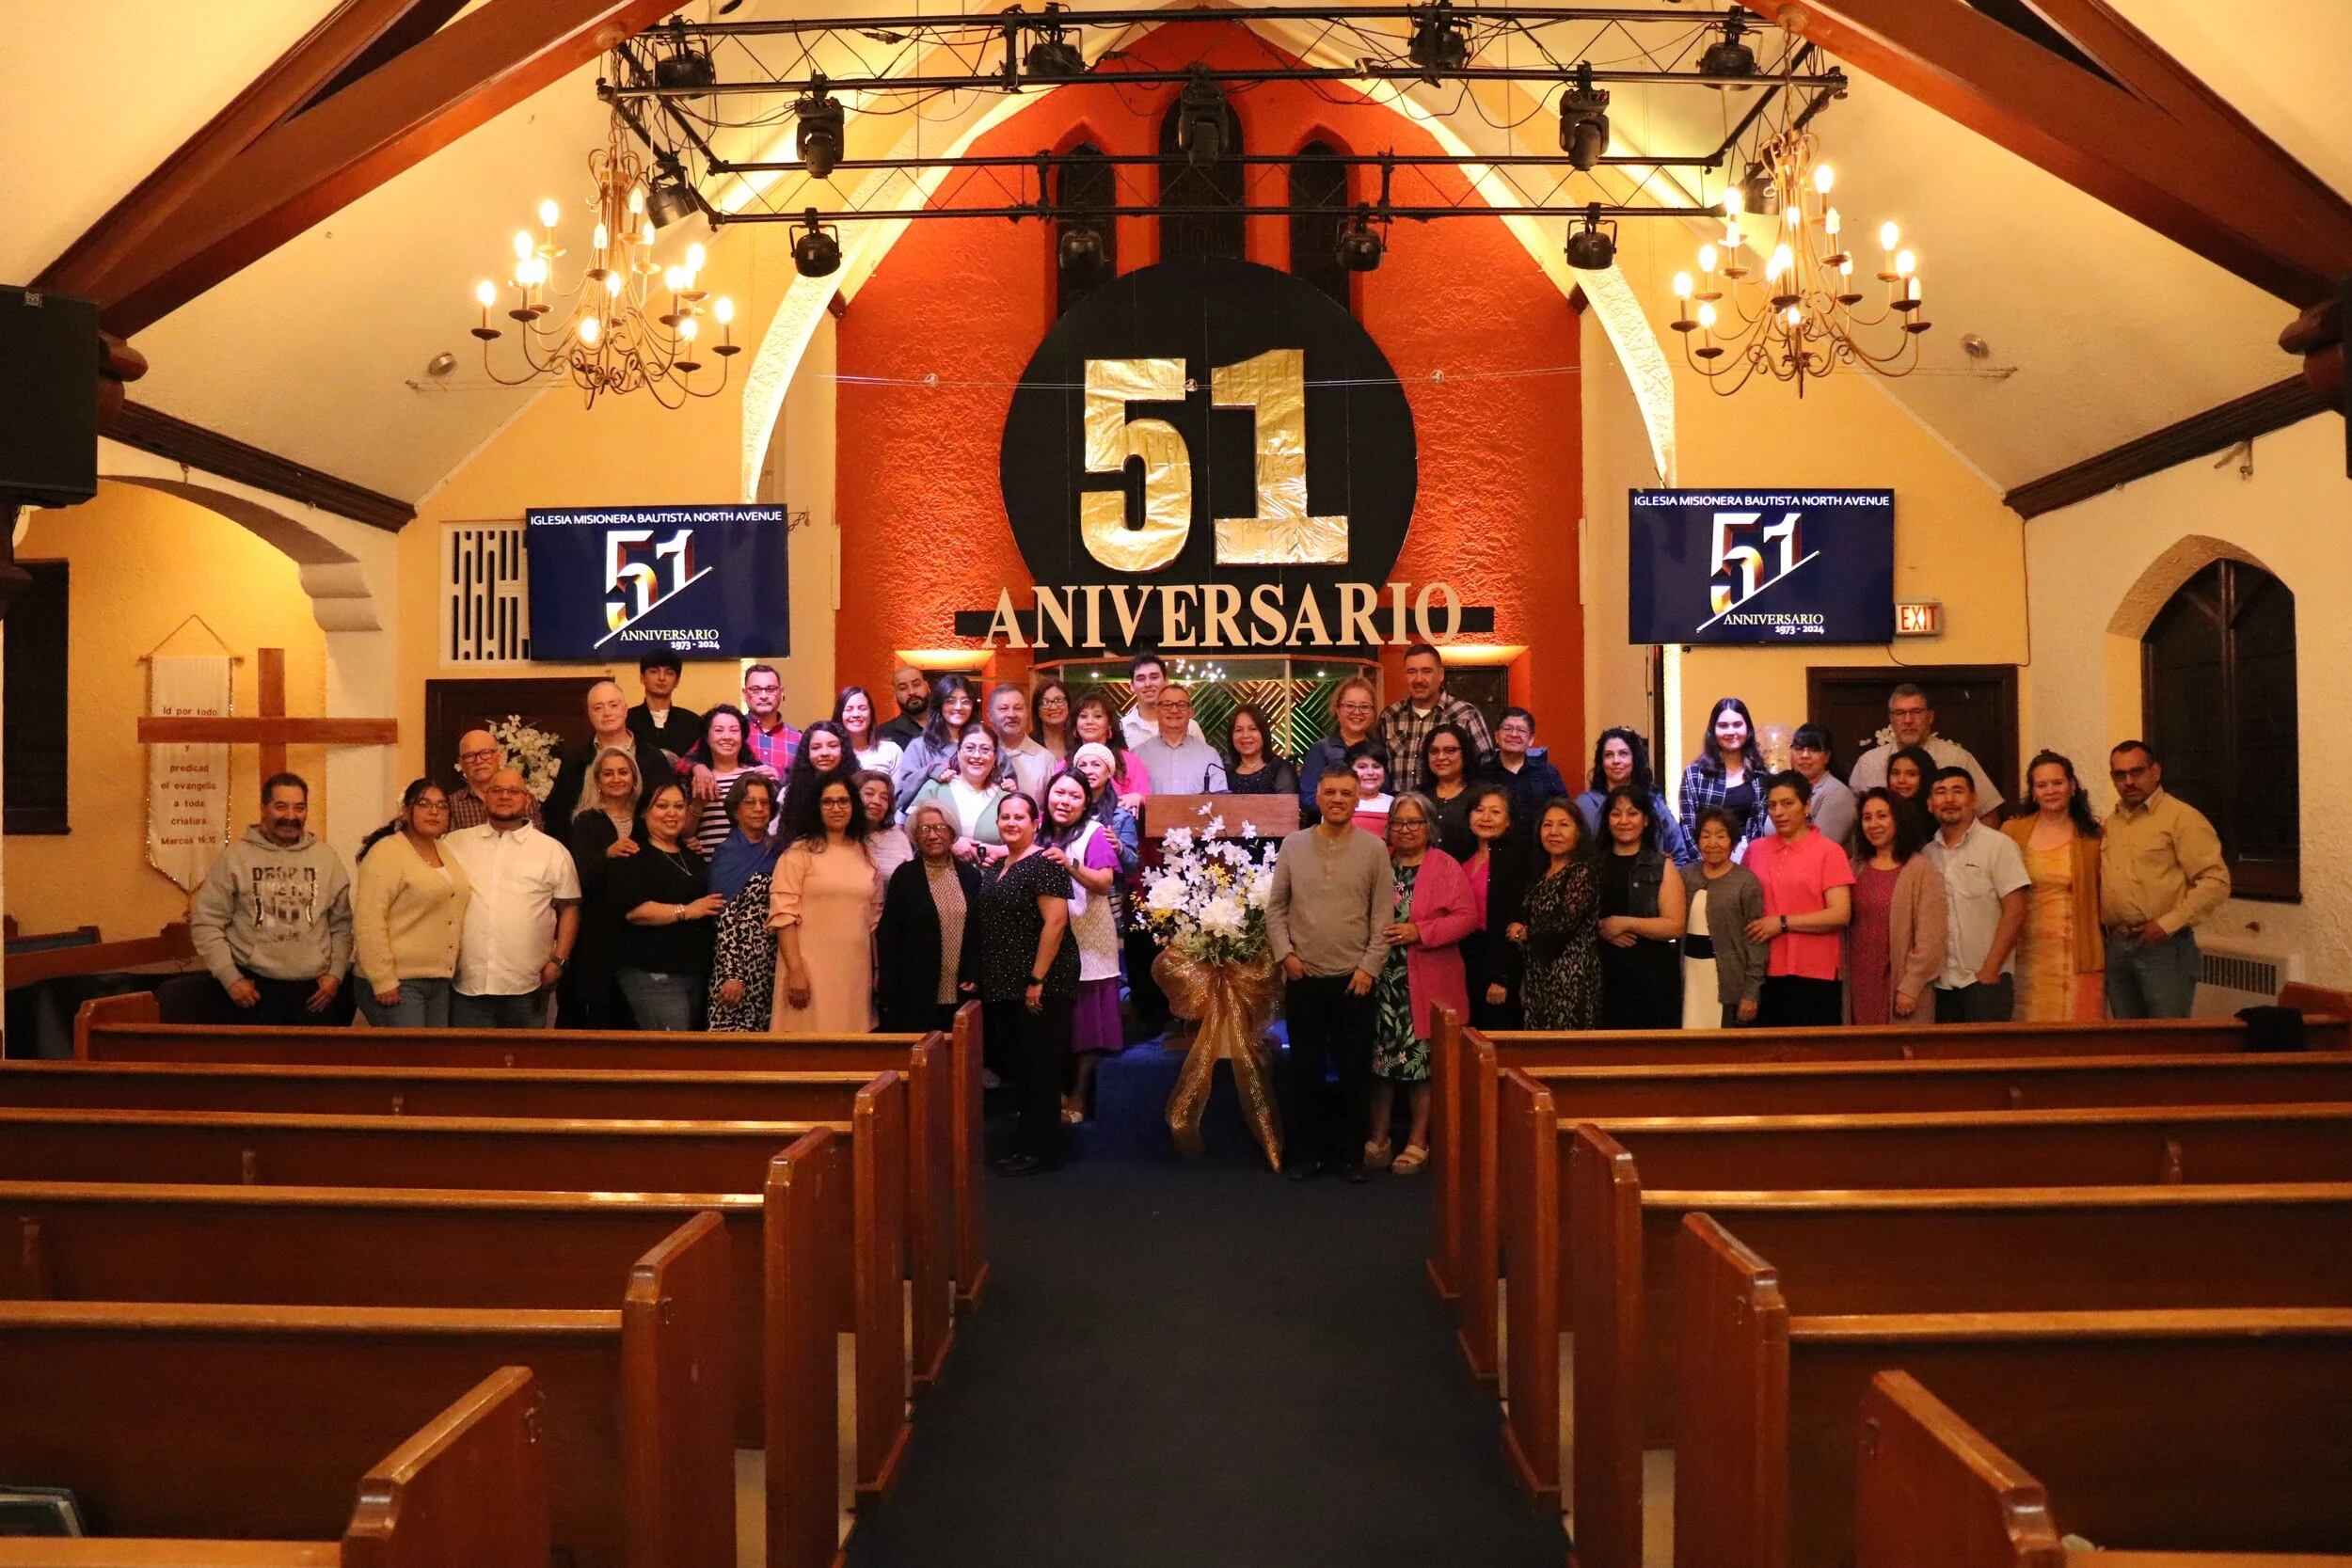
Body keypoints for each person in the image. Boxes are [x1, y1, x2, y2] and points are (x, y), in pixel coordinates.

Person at [1266, 764, 1391, 1182]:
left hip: (1355, 981)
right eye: (1330, 792)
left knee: (1355, 1073)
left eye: (1346, 793)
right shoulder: (1293, 845)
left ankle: (1351, 1156)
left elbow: (1383, 917)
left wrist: (1369, 968)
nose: (1338, 799)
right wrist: (1286, 956)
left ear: (1358, 801)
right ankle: (1305, 1153)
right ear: (1317, 797)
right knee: (1305, 1072)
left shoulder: (1375, 849)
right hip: (1304, 978)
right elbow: (1276, 909)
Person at [190, 771, 355, 1025]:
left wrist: (336, 974)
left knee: (313, 1064)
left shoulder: (327, 859)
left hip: (315, 992)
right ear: (263, 808)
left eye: (299, 808)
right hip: (253, 991)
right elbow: (207, 923)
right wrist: (230, 978)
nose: (291, 816)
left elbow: (342, 925)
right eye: (281, 807)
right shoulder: (234, 859)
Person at [1366, 793, 1475, 1176]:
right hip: (1382, 980)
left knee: (1420, 1066)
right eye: (1398, 823)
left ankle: (1418, 1140)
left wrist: (1419, 931)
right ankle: (1378, 1138)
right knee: (1380, 1063)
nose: (1406, 829)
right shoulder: (1379, 862)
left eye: (1414, 822)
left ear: (1430, 827)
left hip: (1428, 981)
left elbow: (1466, 918)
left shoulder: (1444, 865)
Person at [977, 792, 1079, 1174]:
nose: (1011, 823)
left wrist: (1037, 978)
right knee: (1023, 1067)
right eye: (1005, 817)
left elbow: (1056, 923)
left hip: (1041, 983)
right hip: (1006, 983)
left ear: (1035, 822)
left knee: (1041, 1068)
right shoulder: (998, 865)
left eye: (1020, 816)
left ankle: (1039, 1150)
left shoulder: (1046, 863)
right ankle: (1025, 1145)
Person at [2100, 739, 2232, 1019]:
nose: (2129, 781)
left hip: (2164, 947)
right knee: (2129, 1047)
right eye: (2120, 775)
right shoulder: (2111, 823)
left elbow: (2215, 880)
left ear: (2156, 771)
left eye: (2137, 772)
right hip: (2117, 947)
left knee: (2168, 1042)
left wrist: (2167, 924)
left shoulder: (2182, 818)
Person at [444, 768, 580, 1029]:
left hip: (528, 985)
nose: (505, 796)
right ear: (485, 797)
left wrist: (559, 960)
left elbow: (570, 907)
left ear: (527, 800)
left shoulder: (552, 851)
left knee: (526, 1066)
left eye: (513, 791)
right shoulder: (454, 844)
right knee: (468, 1067)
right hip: (466, 984)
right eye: (497, 790)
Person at [1040, 769, 1124, 1122]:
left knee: (1087, 1027)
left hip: (1087, 938)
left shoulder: (1094, 833)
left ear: (1086, 802)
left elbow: (1105, 881)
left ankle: (1078, 1097)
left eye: (1075, 796)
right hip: (1046, 940)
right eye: (1059, 793)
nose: (1065, 801)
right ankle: (1048, 1096)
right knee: (1049, 1025)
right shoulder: (1036, 830)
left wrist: (1071, 863)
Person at [1740, 771, 1855, 1026]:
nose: (1778, 812)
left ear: (1807, 806)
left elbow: (1840, 913)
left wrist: (1781, 923)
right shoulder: (1756, 850)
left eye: (1787, 803)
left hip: (1815, 972)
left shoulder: (1829, 852)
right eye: (1772, 805)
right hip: (1763, 970)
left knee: (1811, 1056)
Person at [352, 779, 470, 1027]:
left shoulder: (444, 851)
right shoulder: (387, 852)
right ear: (406, 811)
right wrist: (383, 979)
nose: (434, 811)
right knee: (410, 1061)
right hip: (398, 980)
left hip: (439, 980)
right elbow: (368, 920)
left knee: (433, 1063)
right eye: (424, 804)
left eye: (442, 806)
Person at [771, 772, 882, 1032]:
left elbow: (874, 919)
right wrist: (796, 971)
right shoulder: (798, 853)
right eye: (828, 802)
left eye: (843, 801)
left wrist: (877, 969)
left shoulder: (866, 854)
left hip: (855, 971)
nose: (836, 808)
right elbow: (783, 917)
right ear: (817, 807)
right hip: (808, 970)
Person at [606, 780, 722, 1029]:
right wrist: (687, 911)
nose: (672, 813)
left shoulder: (691, 854)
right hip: (653, 972)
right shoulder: (631, 855)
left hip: (694, 971)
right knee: (672, 1057)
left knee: (687, 1056)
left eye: (679, 806)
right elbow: (635, 911)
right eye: (662, 806)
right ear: (645, 812)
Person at [2001, 751, 2106, 1022]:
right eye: (2042, 785)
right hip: (2025, 954)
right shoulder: (2012, 831)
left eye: (2057, 783)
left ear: (2072, 786)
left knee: (2076, 1040)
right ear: (2033, 792)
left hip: (2077, 954)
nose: (2050, 791)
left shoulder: (2093, 838)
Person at [1920, 766, 2030, 1022]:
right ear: (1930, 804)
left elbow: (2015, 911)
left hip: (1985, 981)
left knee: (1987, 1059)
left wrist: (1991, 969)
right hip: (1940, 985)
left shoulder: (1999, 846)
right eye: (1940, 792)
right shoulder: (1926, 855)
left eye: (1957, 791)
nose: (1949, 800)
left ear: (1974, 800)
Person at [1845, 787, 1947, 1026]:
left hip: (1900, 982)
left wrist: (1911, 987)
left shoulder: (1920, 868)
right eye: (1867, 817)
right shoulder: (1855, 867)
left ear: (1898, 819)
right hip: (1859, 979)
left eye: (1882, 816)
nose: (1873, 824)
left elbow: (1931, 938)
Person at [877, 801, 983, 1032]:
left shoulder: (971, 876)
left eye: (939, 828)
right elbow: (889, 935)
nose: (933, 835)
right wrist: (888, 985)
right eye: (924, 830)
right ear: (915, 836)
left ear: (952, 833)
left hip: (962, 988)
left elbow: (979, 931)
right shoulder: (905, 877)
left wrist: (974, 971)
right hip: (915, 989)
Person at [562, 746, 646, 1030]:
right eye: (608, 773)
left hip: (641, 935)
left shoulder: (647, 819)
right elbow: (578, 877)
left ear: (634, 779)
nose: (616, 778)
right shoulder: (586, 820)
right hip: (598, 937)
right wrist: (607, 854)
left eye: (623, 772)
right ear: (597, 781)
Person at [1595, 784, 1687, 1029]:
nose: (1624, 820)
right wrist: (1601, 928)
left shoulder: (1662, 865)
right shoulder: (1592, 864)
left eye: (1633, 813)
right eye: (1616, 813)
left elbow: (1675, 926)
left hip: (1652, 976)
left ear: (1646, 820)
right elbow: (1577, 918)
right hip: (1602, 973)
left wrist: (1624, 923)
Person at [705, 774, 785, 1032]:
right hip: (737, 965)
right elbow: (724, 918)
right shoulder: (726, 853)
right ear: (736, 809)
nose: (759, 809)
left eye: (765, 802)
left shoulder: (778, 851)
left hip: (772, 963)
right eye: (750, 802)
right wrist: (732, 974)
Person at [1847, 683, 2004, 811]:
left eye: (1916, 712)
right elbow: (1852, 817)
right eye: (1900, 713)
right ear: (1891, 719)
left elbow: (1987, 812)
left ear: (1930, 717)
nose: (1908, 720)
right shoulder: (1869, 762)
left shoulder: (1958, 759)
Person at [544, 680, 668, 839]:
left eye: (613, 705)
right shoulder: (574, 759)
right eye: (598, 708)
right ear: (589, 714)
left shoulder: (653, 757)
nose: (607, 713)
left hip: (645, 851)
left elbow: (668, 807)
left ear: (625, 709)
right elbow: (556, 813)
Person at [1682, 806, 1769, 1028]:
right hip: (1690, 974)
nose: (1713, 843)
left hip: (1728, 978)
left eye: (1721, 836)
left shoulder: (1746, 882)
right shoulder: (1686, 875)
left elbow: (1756, 941)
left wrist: (1751, 991)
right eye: (1705, 835)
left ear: (1732, 840)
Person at [1519, 799, 1601, 1030]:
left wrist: (1525, 933)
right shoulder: (1541, 872)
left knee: (1568, 1056)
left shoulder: (1581, 872)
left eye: (1563, 825)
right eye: (1547, 825)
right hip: (1538, 975)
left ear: (1579, 832)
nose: (1554, 832)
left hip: (1571, 977)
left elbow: (1564, 924)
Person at [1458, 783, 1531, 1031]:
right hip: (1467, 959)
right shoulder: (1462, 858)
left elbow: (1514, 920)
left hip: (1498, 963)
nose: (1486, 818)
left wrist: (1503, 978)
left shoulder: (1515, 860)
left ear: (1509, 821)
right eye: (1479, 810)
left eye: (1495, 812)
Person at [1378, 643, 1494, 795]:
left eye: (1427, 671)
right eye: (1412, 672)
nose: (1418, 679)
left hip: (1448, 810)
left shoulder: (1465, 715)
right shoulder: (1390, 716)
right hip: (1399, 811)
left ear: (1441, 675)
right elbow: (1377, 766)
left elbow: (1487, 769)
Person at [1576, 727, 1695, 866]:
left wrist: (1668, 882)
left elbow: (1679, 854)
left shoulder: (1654, 802)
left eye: (1623, 753)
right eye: (1608, 755)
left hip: (1652, 883)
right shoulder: (1585, 805)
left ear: (1634, 759)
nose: (1616, 760)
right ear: (1601, 762)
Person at [909, 726, 1011, 867]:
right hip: (939, 878)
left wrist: (998, 851)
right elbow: (911, 831)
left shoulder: (1006, 797)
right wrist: (950, 842)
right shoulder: (934, 788)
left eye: (985, 749)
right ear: (958, 752)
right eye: (969, 748)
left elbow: (1025, 842)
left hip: (992, 881)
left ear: (995, 757)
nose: (976, 755)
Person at [685, 705, 778, 857]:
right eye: (719, 730)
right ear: (707, 738)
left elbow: (773, 825)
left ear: (743, 737)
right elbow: (685, 833)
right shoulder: (699, 777)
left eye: (734, 730)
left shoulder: (757, 776)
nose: (727, 737)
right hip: (708, 864)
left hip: (753, 865)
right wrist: (697, 803)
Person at [1677, 696, 1770, 848]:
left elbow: (1760, 824)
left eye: (1737, 725)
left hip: (1748, 856)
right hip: (1705, 855)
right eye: (1723, 726)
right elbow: (1688, 826)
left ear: (1748, 729)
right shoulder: (1694, 774)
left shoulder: (1760, 774)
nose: (1731, 731)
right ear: (1713, 731)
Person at [892, 674, 979, 811]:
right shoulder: (919, 746)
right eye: (950, 701)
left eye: (966, 701)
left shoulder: (985, 745)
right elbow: (902, 797)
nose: (958, 707)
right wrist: (928, 772)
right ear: (940, 705)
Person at [1297, 676, 1380, 816]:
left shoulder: (1380, 750)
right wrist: (1345, 810)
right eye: (1349, 706)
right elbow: (1308, 799)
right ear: (1337, 709)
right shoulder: (1321, 749)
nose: (1357, 712)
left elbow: (1386, 793)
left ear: (1373, 713)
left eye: (1365, 707)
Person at [1131, 683, 1227, 793]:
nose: (1174, 710)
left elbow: (1220, 803)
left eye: (1181, 705)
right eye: (1166, 705)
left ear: (1191, 712)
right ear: (1156, 711)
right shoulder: (1137, 756)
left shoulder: (1210, 756)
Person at [1492, 707, 1568, 834]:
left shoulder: (1548, 773)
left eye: (1521, 730)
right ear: (1496, 736)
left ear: (1531, 738)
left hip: (1539, 850)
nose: (1514, 734)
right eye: (1507, 729)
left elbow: (1564, 813)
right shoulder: (1482, 773)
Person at [1073, 690, 1151, 810]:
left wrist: (1139, 798)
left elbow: (1147, 800)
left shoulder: (1130, 762)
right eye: (1083, 716)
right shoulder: (1065, 763)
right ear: (1075, 725)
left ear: (1109, 724)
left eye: (1097, 716)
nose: (1089, 721)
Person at [449, 728, 537, 831]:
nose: (478, 761)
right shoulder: (451, 804)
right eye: (470, 756)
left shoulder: (522, 798)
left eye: (486, 753)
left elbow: (534, 842)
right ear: (461, 764)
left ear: (499, 757)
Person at [777, 720, 852, 839]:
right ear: (807, 753)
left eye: (832, 746)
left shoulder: (856, 788)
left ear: (843, 750)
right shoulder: (790, 792)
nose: (824, 753)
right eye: (816, 747)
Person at [1789, 724, 1858, 851]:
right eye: (1798, 748)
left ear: (1827, 757)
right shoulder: (1786, 789)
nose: (1805, 755)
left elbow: (1819, 848)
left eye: (1814, 749)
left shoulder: (1837, 793)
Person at [1422, 722, 1484, 860]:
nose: (1441, 757)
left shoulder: (1483, 795)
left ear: (1465, 753)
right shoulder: (1418, 795)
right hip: (1423, 875)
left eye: (1450, 750)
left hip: (1468, 875)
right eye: (1434, 751)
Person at [987, 682, 1057, 800]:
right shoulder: (979, 757)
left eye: (1018, 708)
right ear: (990, 715)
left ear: (1027, 713)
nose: (1011, 714)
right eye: (1003, 709)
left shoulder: (1046, 760)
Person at [626, 652, 700, 763]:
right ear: (642, 677)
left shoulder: (692, 722)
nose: (661, 678)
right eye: (654, 672)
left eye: (669, 673)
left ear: (677, 681)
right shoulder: (626, 720)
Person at [1120, 653, 1203, 749]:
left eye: (1154, 677)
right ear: (1132, 686)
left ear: (1166, 681)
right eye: (1141, 679)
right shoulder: (1122, 728)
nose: (1148, 684)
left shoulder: (1190, 727)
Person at [1222, 704, 1297, 798]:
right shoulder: (1224, 771)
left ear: (1263, 733)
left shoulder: (1280, 770)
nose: (1245, 735)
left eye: (1253, 729)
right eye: (1238, 730)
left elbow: (1286, 810)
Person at [855, 768, 914, 884]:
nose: (877, 801)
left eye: (884, 798)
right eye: (869, 794)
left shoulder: (899, 838)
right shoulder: (839, 837)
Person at [835, 686, 903, 777]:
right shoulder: (832, 753)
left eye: (862, 708)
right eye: (849, 709)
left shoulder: (891, 751)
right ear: (840, 714)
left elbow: (900, 791)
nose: (856, 714)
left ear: (871, 713)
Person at [1345, 739, 1394, 840]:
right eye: (1362, 767)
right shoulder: (1339, 803)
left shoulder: (1395, 804)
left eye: (1376, 766)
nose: (1370, 772)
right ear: (1350, 771)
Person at [878, 663, 931, 747]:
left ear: (927, 687)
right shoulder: (884, 734)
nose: (911, 692)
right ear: (895, 695)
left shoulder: (949, 724)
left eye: (916, 684)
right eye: (903, 688)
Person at [1033, 678, 1076, 763]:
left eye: (1059, 700)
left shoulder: (1080, 744)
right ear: (1037, 710)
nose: (1053, 707)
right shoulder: (1028, 747)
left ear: (1069, 705)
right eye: (1045, 702)